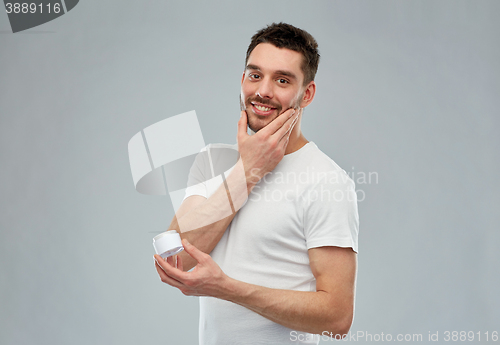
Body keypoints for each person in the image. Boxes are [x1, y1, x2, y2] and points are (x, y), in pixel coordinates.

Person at [154, 22, 359, 345]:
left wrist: (227, 288)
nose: (263, 91)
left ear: (307, 94)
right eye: (255, 75)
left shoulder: (326, 181)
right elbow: (176, 261)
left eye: (282, 80)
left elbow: (337, 318)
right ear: (242, 81)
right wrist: (247, 172)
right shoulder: (212, 161)